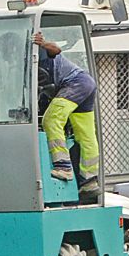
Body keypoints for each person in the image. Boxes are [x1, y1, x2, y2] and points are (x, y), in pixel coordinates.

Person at [32, 31, 100, 194]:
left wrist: (42, 43)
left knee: (50, 120)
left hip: (74, 84)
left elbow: (55, 49)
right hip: (86, 83)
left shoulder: (37, 50)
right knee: (86, 135)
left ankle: (63, 167)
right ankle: (89, 182)